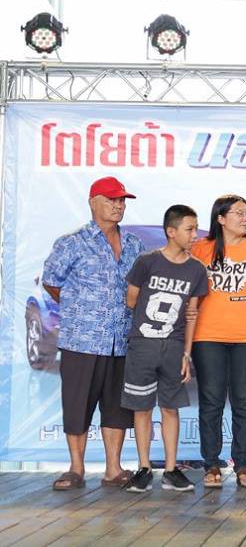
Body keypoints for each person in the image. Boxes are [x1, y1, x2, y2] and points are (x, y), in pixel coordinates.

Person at [42, 176, 144, 491]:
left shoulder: (135, 245)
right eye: (112, 199)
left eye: (122, 200)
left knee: (117, 407)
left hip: (121, 340)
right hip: (82, 339)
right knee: (78, 405)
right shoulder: (71, 242)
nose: (118, 205)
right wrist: (80, 307)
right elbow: (51, 281)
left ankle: (113, 469)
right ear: (93, 202)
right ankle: (76, 468)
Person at [191, 194, 246, 489]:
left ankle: (242, 464)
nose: (245, 218)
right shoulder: (201, 248)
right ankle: (211, 465)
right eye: (239, 213)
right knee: (211, 402)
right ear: (221, 218)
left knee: (244, 402)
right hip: (207, 336)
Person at [122, 205, 208, 493]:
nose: (194, 235)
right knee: (142, 407)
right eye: (189, 229)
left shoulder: (196, 269)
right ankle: (144, 467)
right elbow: (131, 300)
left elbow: (192, 314)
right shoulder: (148, 262)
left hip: (174, 346)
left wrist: (186, 353)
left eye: (196, 229)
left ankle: (171, 469)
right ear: (171, 231)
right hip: (143, 344)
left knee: (171, 407)